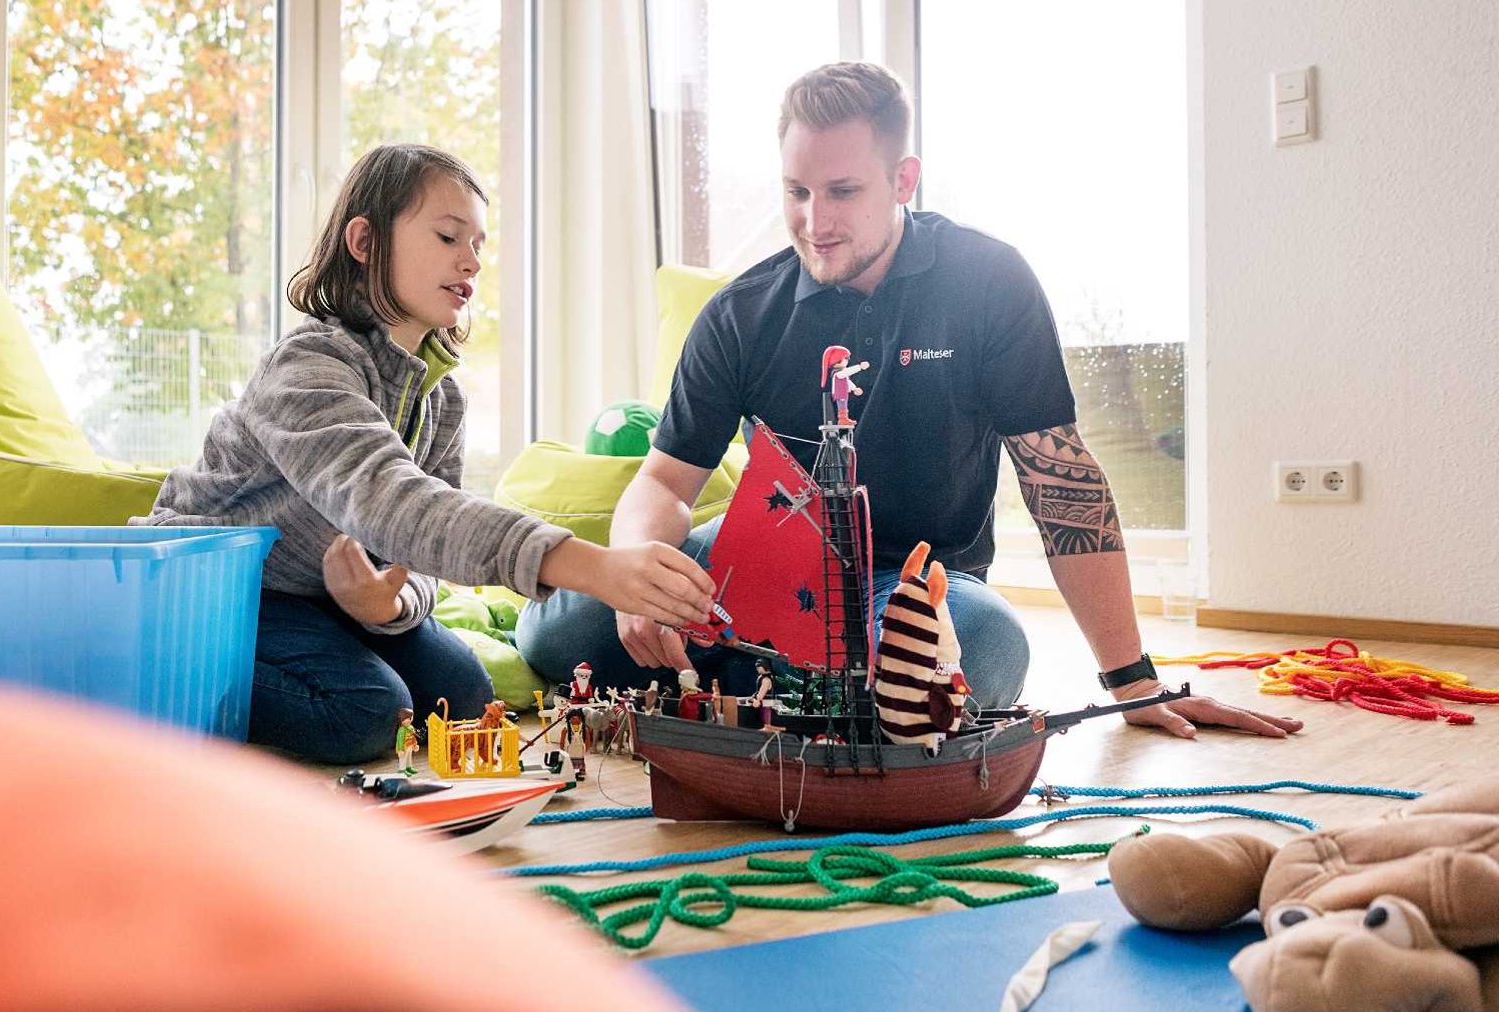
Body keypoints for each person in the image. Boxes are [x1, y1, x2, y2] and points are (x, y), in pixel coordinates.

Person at [518, 64, 1300, 741]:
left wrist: (1132, 681)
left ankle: (747, 686)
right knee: (560, 632)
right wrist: (637, 577)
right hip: (759, 559)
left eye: (843, 192)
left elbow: (1060, 480)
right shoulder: (742, 313)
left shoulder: (990, 282)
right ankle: (786, 689)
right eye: (796, 191)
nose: (813, 222)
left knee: (988, 651)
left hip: (916, 581)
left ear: (903, 179)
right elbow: (661, 482)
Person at [135, 144, 715, 765]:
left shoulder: (442, 399)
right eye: (447, 236)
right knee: (367, 712)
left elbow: (428, 554)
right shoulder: (307, 366)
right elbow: (390, 500)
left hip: (326, 601)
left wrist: (388, 606)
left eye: (479, 245)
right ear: (364, 242)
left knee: (464, 696)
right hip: (223, 594)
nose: (471, 260)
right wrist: (594, 568)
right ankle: (156, 679)